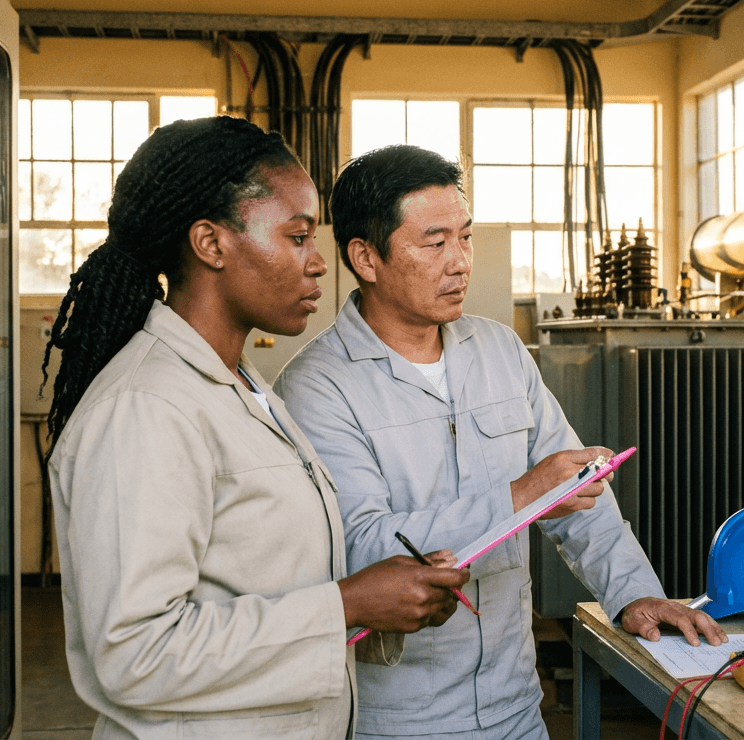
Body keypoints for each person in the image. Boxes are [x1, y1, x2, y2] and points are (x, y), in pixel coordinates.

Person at [273, 145, 728, 739]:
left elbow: (579, 496)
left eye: (465, 238)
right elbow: (364, 549)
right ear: (366, 257)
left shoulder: (499, 351)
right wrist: (522, 495)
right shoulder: (317, 388)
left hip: (516, 705)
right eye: (435, 243)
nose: (460, 262)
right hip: (400, 720)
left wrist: (634, 595)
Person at [41, 119, 470, 740]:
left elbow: (263, 582)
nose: (320, 263)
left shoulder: (243, 387)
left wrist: (382, 600)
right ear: (211, 244)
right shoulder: (147, 408)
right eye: (296, 237)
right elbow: (133, 654)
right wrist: (348, 604)